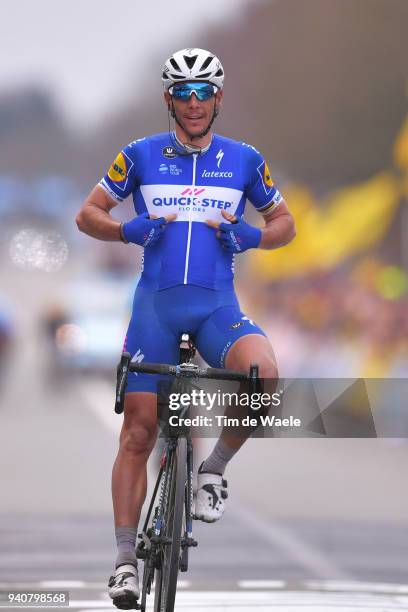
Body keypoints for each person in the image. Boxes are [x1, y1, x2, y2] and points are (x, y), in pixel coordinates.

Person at [76, 47, 295, 610]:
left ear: (218, 98)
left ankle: (213, 471)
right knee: (138, 432)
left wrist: (251, 236)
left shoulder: (244, 160)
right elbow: (88, 214)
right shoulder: (140, 156)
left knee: (264, 372)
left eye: (204, 93)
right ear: (168, 98)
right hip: (156, 308)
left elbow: (285, 224)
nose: (194, 104)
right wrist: (129, 231)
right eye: (183, 92)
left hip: (215, 307)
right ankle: (126, 561)